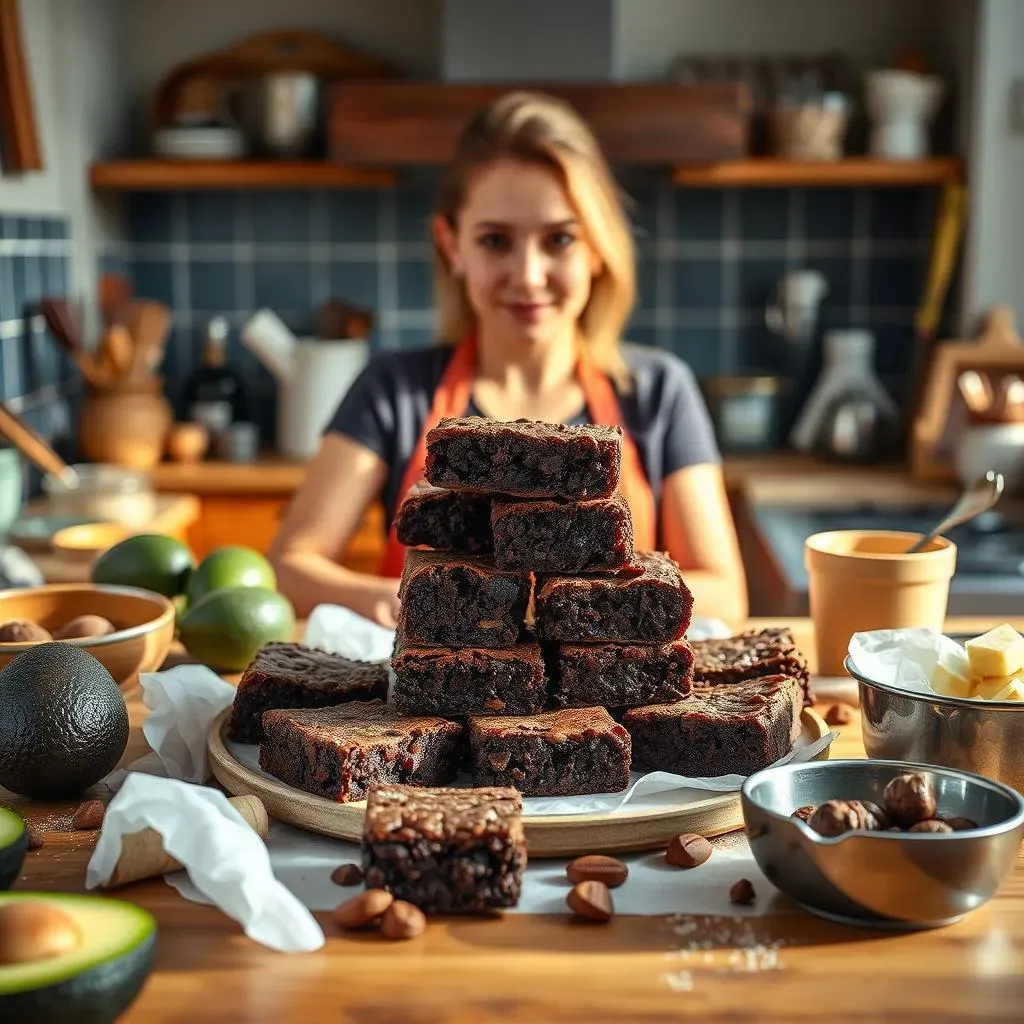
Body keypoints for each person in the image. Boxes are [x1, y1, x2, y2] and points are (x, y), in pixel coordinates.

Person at [268, 90, 748, 627]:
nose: (528, 275)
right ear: (452, 246)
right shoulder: (395, 389)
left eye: (559, 239)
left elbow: (724, 594)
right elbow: (290, 567)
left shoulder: (658, 390)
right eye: (496, 240)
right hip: (431, 700)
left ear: (597, 247)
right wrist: (406, 603)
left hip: (609, 706)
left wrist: (555, 611)